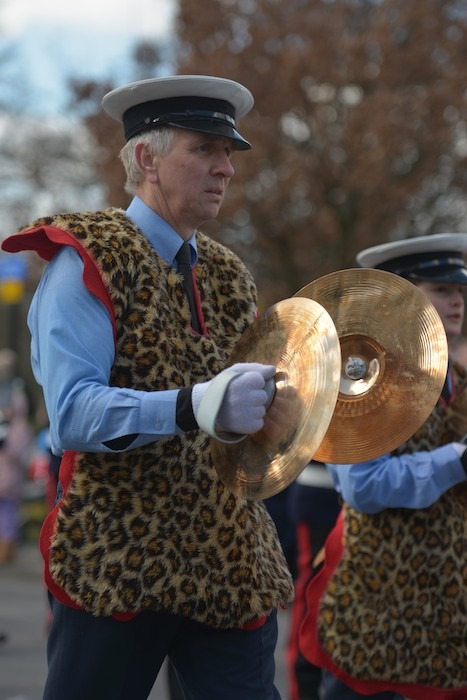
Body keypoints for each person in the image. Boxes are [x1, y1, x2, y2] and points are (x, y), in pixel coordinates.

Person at [1, 75, 295, 700]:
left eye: (228, 154)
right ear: (145, 158)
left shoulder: (228, 272)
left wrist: (289, 412)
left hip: (229, 557)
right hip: (119, 558)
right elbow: (74, 415)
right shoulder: (89, 258)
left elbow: (248, 429)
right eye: (204, 150)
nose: (225, 169)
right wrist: (194, 406)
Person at [299, 233, 467, 700]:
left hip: (445, 615)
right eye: (441, 290)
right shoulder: (366, 376)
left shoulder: (458, 377)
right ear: (404, 297)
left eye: (459, 291)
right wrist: (458, 461)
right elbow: (363, 486)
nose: (456, 301)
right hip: (377, 610)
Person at [0, 348, 33, 564]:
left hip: (8, 461)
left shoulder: (16, 390)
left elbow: (19, 439)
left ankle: (6, 548)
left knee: (9, 506)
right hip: (7, 459)